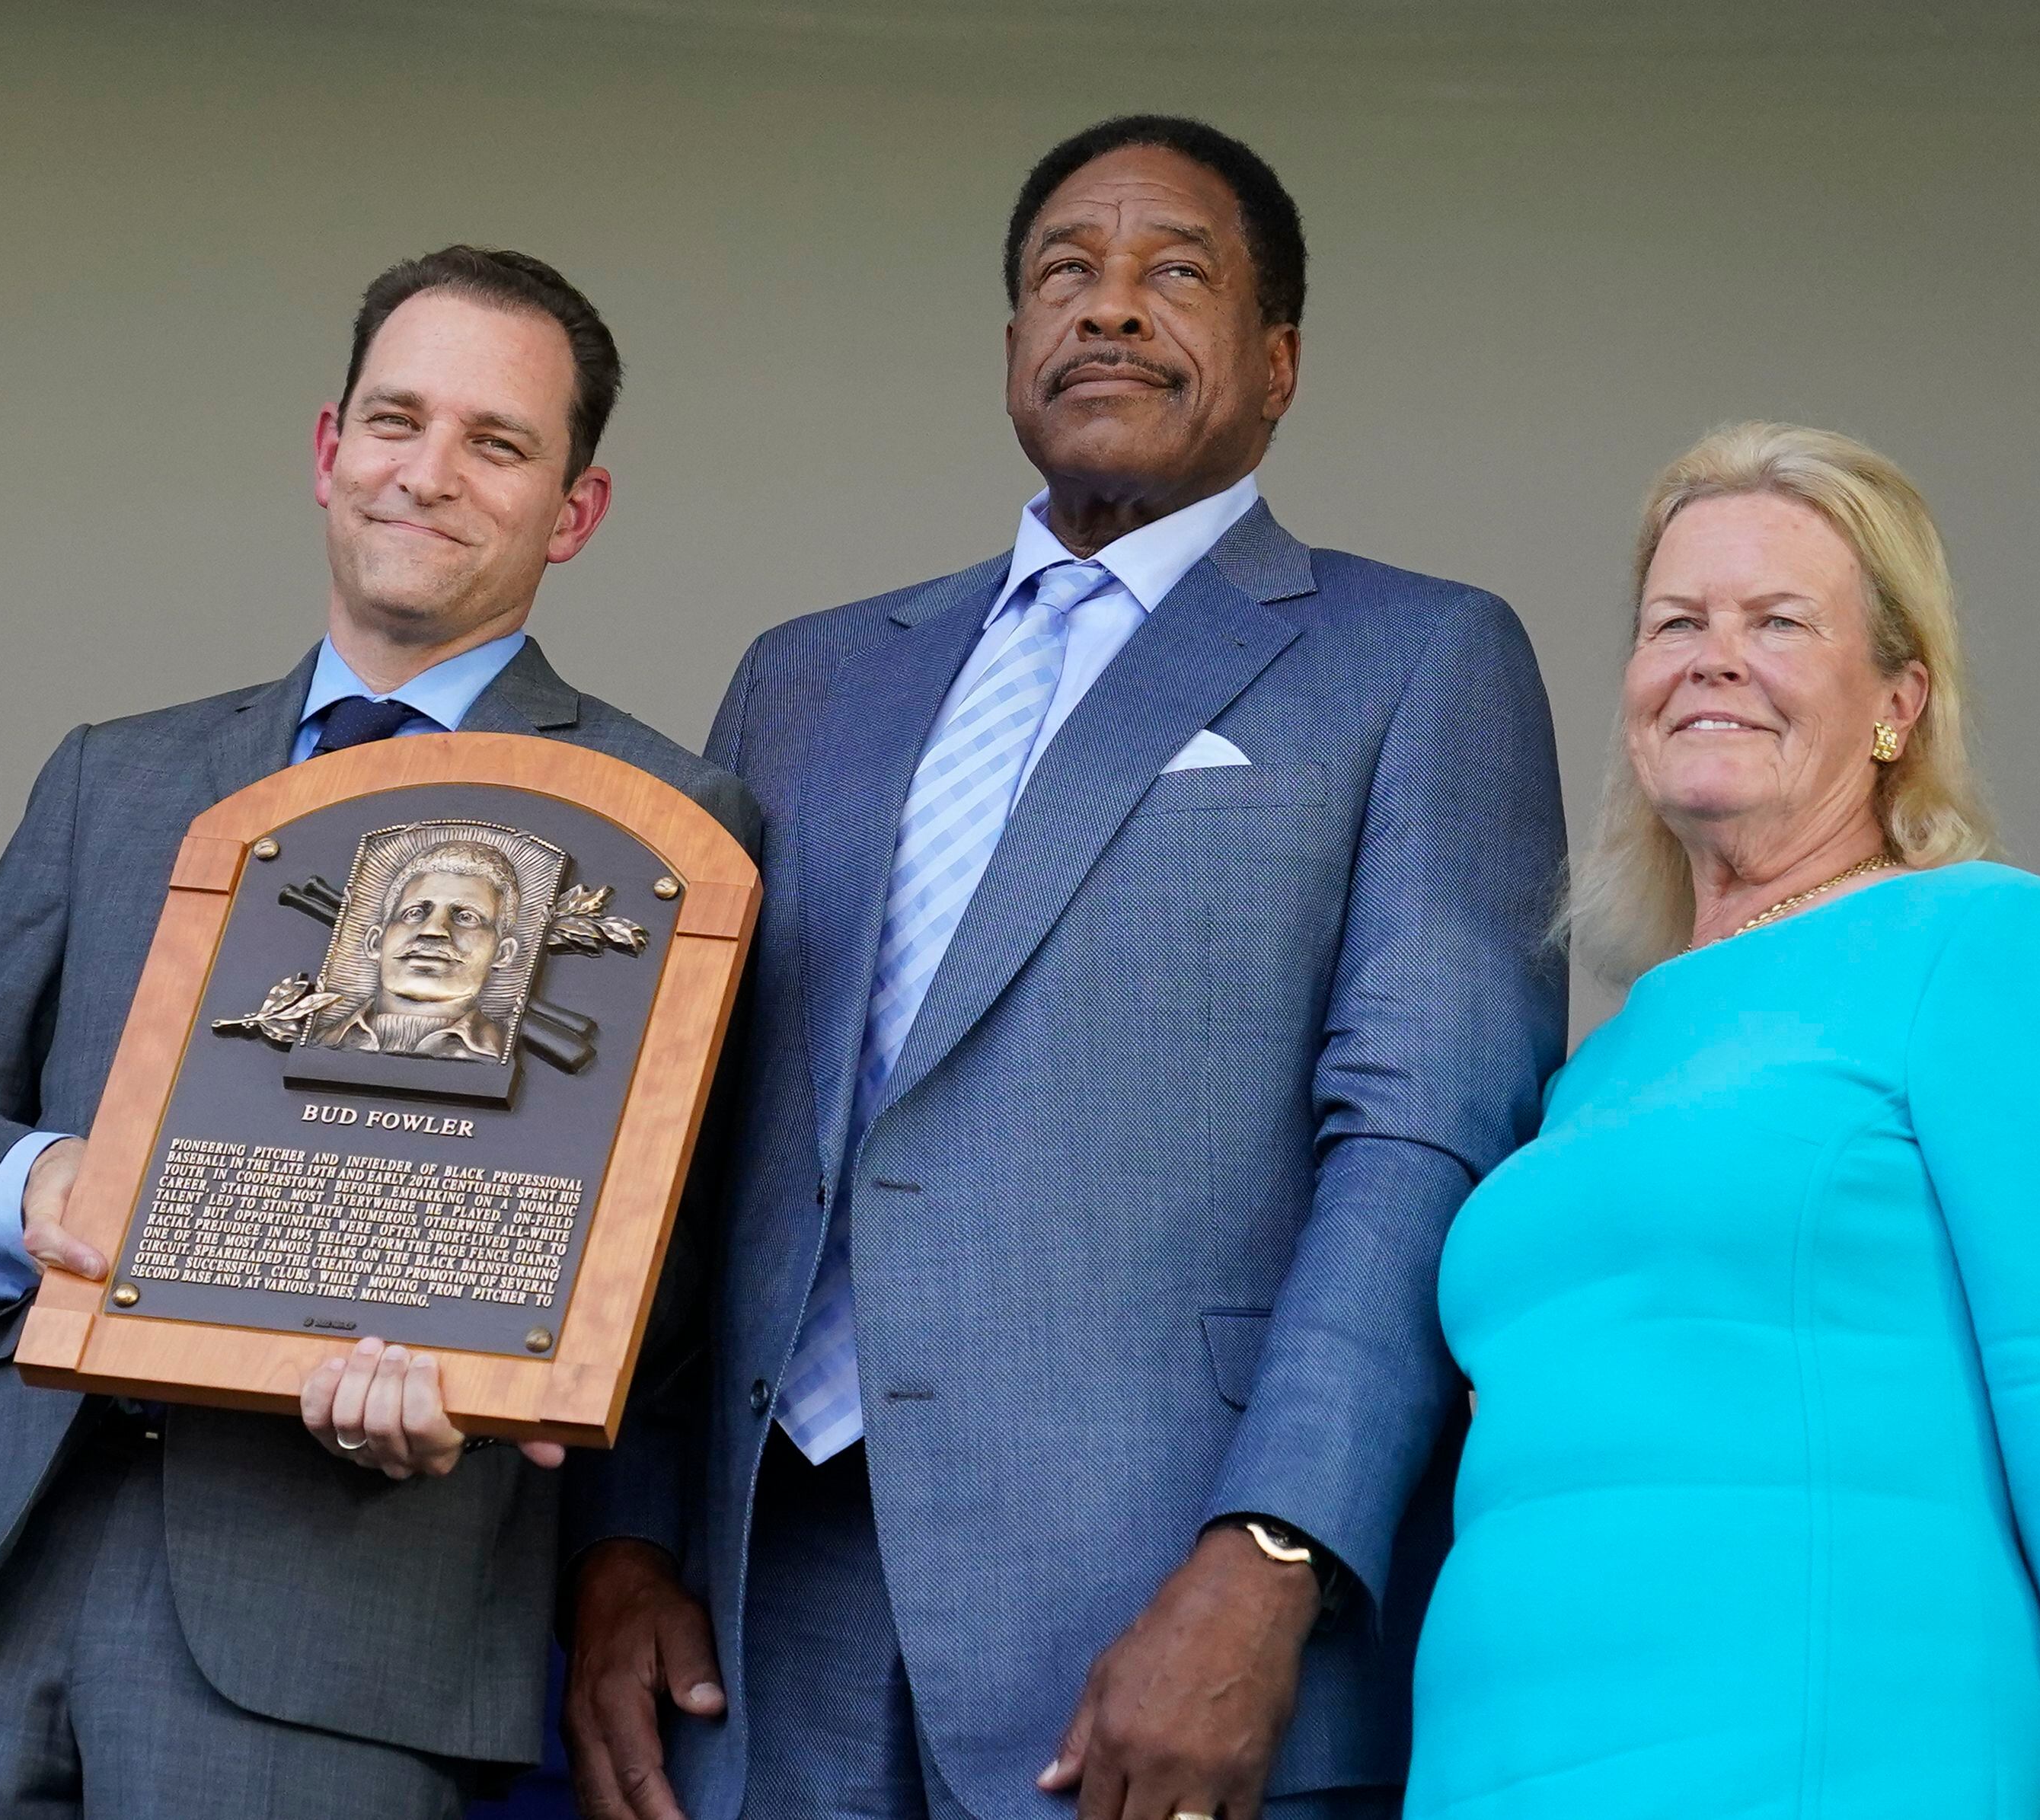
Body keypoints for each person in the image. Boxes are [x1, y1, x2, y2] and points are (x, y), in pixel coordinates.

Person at [563, 114, 1567, 1820]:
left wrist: (1269, 1556)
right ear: (1011, 343)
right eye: (1061, 274)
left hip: (1155, 1613)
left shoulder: (1414, 658)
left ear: (1276, 363)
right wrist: (625, 1538)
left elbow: (1419, 1146)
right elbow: (681, 1137)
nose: (1105, 308)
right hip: (761, 1623)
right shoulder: (807, 679)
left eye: (1172, 272)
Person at [0, 246, 760, 1820]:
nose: (428, 473)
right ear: (328, 449)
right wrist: (42, 1190)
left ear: (573, 511)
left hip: (338, 1621)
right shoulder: (116, 776)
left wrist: (480, 1375)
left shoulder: (662, 822)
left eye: (496, 442)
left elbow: (671, 1266)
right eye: (396, 420)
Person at [1406, 423, 2040, 1816]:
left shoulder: (1982, 944)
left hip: (1836, 1759)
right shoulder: (1594, 1067)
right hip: (1504, 1763)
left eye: (1779, 621)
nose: (1713, 656)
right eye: (1676, 621)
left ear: (1898, 701)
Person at [313, 839, 525, 1058]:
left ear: (503, 953)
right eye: (414, 913)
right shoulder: (319, 1042)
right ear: (375, 942)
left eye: (466, 917)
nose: (433, 930)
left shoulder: (505, 1052)